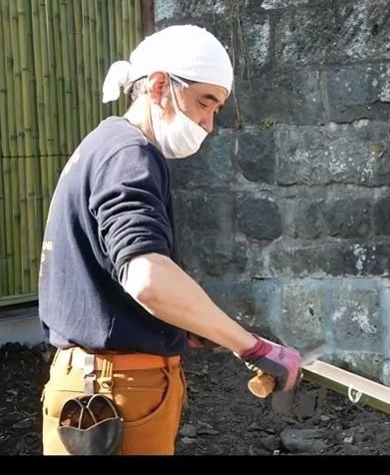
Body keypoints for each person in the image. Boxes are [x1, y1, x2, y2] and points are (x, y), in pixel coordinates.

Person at [37, 24, 303, 455]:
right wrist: (251, 347)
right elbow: (146, 278)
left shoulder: (101, 146)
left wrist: (181, 323)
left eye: (215, 109)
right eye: (204, 102)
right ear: (159, 84)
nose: (208, 123)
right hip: (119, 391)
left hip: (85, 385)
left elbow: (103, 277)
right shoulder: (130, 155)